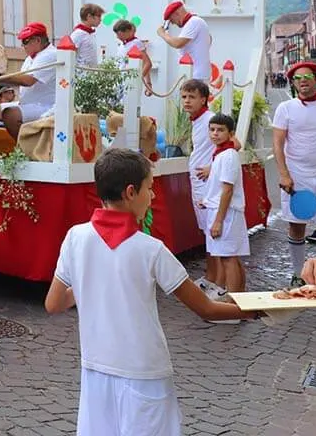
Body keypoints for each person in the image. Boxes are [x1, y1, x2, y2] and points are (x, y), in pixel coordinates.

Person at [45, 148, 248, 436]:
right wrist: (258, 309)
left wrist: (90, 282)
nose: (152, 197)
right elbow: (207, 308)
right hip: (145, 372)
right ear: (131, 192)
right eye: (150, 189)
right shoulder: (151, 250)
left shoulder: (75, 237)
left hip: (96, 369)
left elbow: (53, 303)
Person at [272, 61, 316, 287]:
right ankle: (298, 274)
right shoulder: (285, 108)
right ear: (293, 83)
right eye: (297, 78)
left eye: (307, 76)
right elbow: (277, 144)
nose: (303, 80)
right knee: (297, 225)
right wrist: (284, 174)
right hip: (297, 176)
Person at [198, 113, 248, 313]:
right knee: (231, 257)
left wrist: (218, 221)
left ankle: (233, 305)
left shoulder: (228, 156)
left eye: (220, 130)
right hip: (220, 210)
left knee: (228, 258)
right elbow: (219, 188)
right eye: (212, 129)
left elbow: (227, 189)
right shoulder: (220, 154)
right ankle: (239, 298)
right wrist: (208, 201)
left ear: (231, 133)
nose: (215, 134)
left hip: (226, 214)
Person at [0, 22, 58, 139]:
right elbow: (20, 78)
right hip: (29, 103)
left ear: (37, 40)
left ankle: (24, 149)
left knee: (10, 114)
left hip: (47, 106)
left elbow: (28, 80)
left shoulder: (50, 55)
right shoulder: (31, 57)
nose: (23, 46)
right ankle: (6, 145)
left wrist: (1, 76)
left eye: (25, 42)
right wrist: (0, 75)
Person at [178, 79, 215, 290]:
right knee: (207, 232)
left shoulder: (210, 120)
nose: (187, 101)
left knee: (212, 234)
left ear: (204, 99)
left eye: (192, 97)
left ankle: (216, 280)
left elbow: (233, 144)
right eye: (184, 97)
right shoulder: (196, 121)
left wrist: (213, 168)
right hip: (198, 183)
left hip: (207, 184)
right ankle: (211, 276)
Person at [156, 1, 211, 81]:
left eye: (172, 20)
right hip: (195, 73)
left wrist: (162, 34)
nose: (173, 23)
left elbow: (178, 43)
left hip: (195, 75)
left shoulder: (193, 22)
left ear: (177, 14)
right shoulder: (195, 22)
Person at [112, 19, 154, 95]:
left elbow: (147, 63)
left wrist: (138, 80)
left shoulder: (136, 43)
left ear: (128, 31)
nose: (118, 37)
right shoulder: (122, 45)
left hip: (128, 82)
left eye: (120, 34)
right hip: (119, 80)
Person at [69, 4, 105, 68]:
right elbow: (70, 54)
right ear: (89, 16)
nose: (100, 19)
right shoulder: (78, 34)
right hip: (82, 73)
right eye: (99, 16)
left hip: (91, 73)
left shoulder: (90, 33)